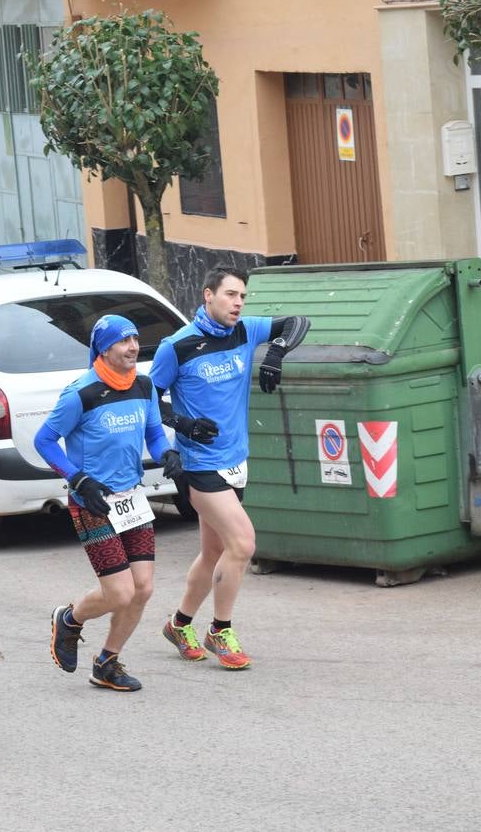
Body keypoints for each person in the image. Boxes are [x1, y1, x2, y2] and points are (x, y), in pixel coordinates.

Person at [150, 267, 310, 669]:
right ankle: (220, 630)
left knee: (213, 553)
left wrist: (275, 352)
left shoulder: (245, 330)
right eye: (231, 295)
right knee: (243, 544)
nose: (239, 302)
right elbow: (148, 400)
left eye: (242, 296)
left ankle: (179, 623)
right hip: (199, 463)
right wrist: (182, 425)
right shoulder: (178, 346)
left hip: (236, 460)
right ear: (208, 296)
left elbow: (298, 322)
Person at [36, 315, 182, 692]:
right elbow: (45, 441)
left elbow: (152, 430)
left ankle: (107, 662)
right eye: (123, 341)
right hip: (92, 501)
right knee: (119, 592)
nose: (133, 346)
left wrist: (166, 453)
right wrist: (77, 477)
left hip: (131, 498)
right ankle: (69, 619)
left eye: (135, 338)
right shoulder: (81, 393)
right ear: (103, 349)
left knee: (143, 588)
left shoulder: (144, 386)